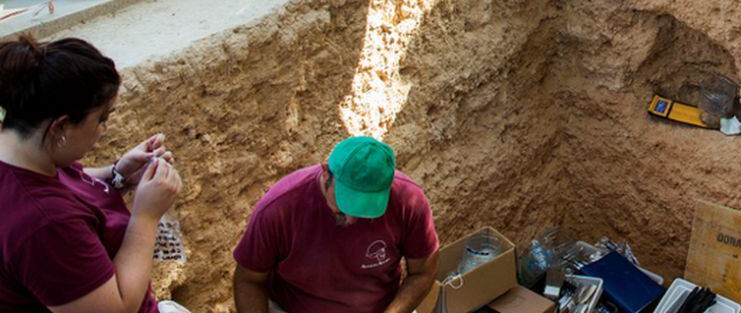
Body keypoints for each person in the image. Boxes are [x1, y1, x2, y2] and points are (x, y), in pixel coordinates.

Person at [0, 34, 186, 313]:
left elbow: (65, 182)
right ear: (60, 127)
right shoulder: (46, 224)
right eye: (101, 119)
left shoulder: (21, 151)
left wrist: (116, 175)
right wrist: (146, 216)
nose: (104, 129)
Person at [233, 136, 439, 313]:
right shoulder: (280, 208)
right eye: (342, 207)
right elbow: (249, 280)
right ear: (326, 173)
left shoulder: (408, 201)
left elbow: (422, 272)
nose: (351, 221)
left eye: (366, 212)